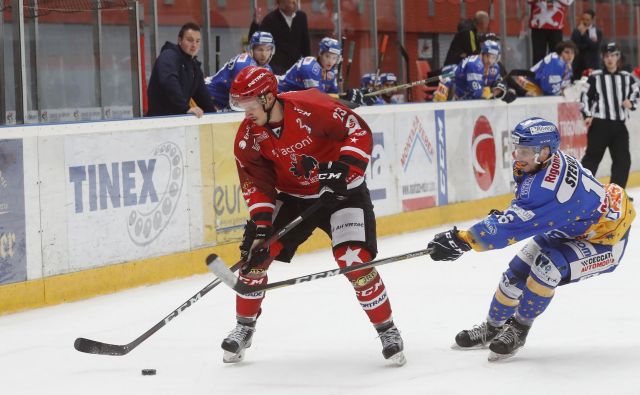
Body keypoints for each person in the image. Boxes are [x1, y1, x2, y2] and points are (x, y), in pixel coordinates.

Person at [220, 66, 406, 366]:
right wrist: (262, 227)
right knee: (256, 257)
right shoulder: (248, 137)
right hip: (294, 198)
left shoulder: (311, 107)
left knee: (353, 259)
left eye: (250, 104)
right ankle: (244, 327)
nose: (246, 113)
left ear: (268, 98)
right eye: (242, 106)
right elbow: (256, 184)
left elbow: (356, 130)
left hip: (342, 194)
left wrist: (345, 170)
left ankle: (387, 330)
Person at [427, 117, 635, 361]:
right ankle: (492, 327)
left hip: (604, 240)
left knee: (547, 267)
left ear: (545, 151)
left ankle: (519, 328)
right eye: (517, 148)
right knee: (515, 273)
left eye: (525, 151)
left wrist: (463, 239)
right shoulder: (545, 164)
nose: (518, 156)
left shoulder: (553, 189)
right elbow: (524, 209)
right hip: (570, 227)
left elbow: (511, 227)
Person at [581, 42, 639, 190]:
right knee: (592, 159)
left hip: (619, 125)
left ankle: (616, 194)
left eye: (613, 55)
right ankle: (580, 192)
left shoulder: (627, 77)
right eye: (607, 56)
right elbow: (585, 96)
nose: (610, 59)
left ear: (618, 57)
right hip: (600, 124)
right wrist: (587, 115)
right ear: (602, 58)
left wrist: (631, 103)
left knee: (623, 160)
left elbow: (636, 93)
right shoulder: (595, 77)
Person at [146, 22, 215, 117]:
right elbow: (169, 82)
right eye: (190, 40)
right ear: (179, 40)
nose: (194, 45)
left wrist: (213, 114)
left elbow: (202, 96)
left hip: (178, 121)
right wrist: (185, 108)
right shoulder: (168, 56)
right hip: (159, 120)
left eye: (197, 41)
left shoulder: (194, 67)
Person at [205, 31, 275, 110]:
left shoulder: (267, 68)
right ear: (252, 49)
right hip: (207, 97)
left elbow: (262, 94)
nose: (264, 54)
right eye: (260, 50)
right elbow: (239, 103)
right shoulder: (244, 65)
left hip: (222, 102)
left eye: (268, 50)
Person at [258, 0, 311, 75]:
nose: (294, 2)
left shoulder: (301, 17)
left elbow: (306, 44)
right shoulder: (269, 19)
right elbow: (259, 43)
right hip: (276, 70)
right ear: (280, 2)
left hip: (296, 68)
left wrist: (308, 64)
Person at [528, 0, 575, 65]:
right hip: (538, 25)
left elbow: (568, 2)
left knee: (556, 55)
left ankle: (555, 74)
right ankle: (538, 74)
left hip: (556, 25)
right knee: (538, 56)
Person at [571, 9, 603, 80]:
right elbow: (575, 46)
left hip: (592, 65)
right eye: (583, 19)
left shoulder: (597, 32)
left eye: (587, 20)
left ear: (592, 20)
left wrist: (584, 35)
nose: (585, 22)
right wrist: (586, 43)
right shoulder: (576, 31)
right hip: (579, 66)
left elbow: (594, 46)